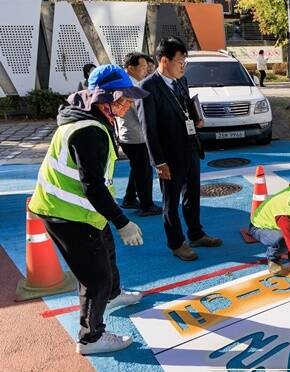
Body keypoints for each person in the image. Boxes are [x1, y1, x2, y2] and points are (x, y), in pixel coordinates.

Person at [29, 64, 148, 355]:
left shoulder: (86, 119)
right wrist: (122, 222)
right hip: (69, 215)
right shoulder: (89, 131)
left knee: (106, 252)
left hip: (82, 212)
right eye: (124, 98)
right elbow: (92, 186)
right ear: (106, 99)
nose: (129, 104)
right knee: (95, 278)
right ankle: (90, 338)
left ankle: (114, 295)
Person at [138, 37, 223, 261]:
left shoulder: (181, 82)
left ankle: (196, 233)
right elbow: (149, 130)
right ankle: (176, 243)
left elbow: (185, 106)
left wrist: (197, 118)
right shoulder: (148, 88)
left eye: (185, 61)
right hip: (168, 156)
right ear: (164, 60)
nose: (183, 66)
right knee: (171, 202)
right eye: (180, 61)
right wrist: (159, 162)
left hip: (190, 149)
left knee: (192, 195)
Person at [117, 52, 162, 216]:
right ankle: (146, 205)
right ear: (130, 68)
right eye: (142, 67)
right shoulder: (132, 87)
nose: (146, 69)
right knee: (144, 171)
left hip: (130, 134)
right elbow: (140, 114)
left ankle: (129, 198)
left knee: (137, 168)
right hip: (135, 135)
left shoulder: (129, 83)